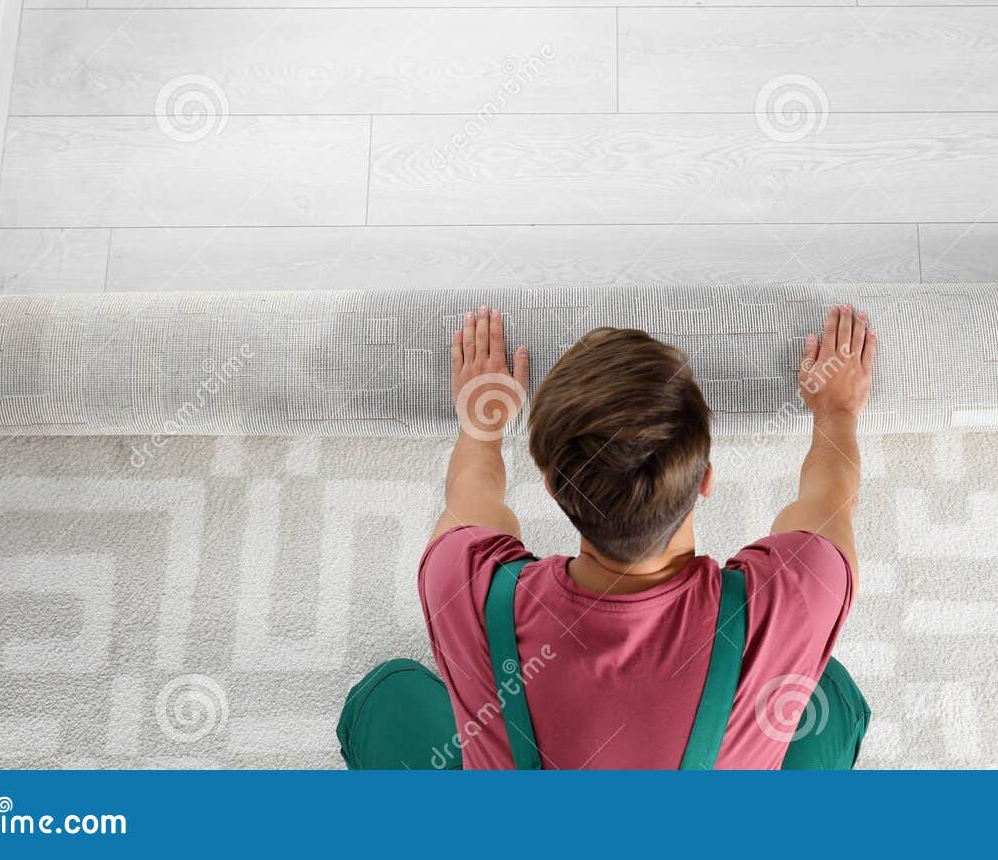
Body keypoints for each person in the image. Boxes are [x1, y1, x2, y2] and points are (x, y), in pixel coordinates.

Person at [337, 303, 875, 770]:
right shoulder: (798, 595)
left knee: (388, 693)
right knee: (826, 690)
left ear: (550, 488)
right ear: (707, 476)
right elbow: (832, 496)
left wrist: (482, 422)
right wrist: (837, 409)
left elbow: (470, 495)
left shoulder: (466, 585)